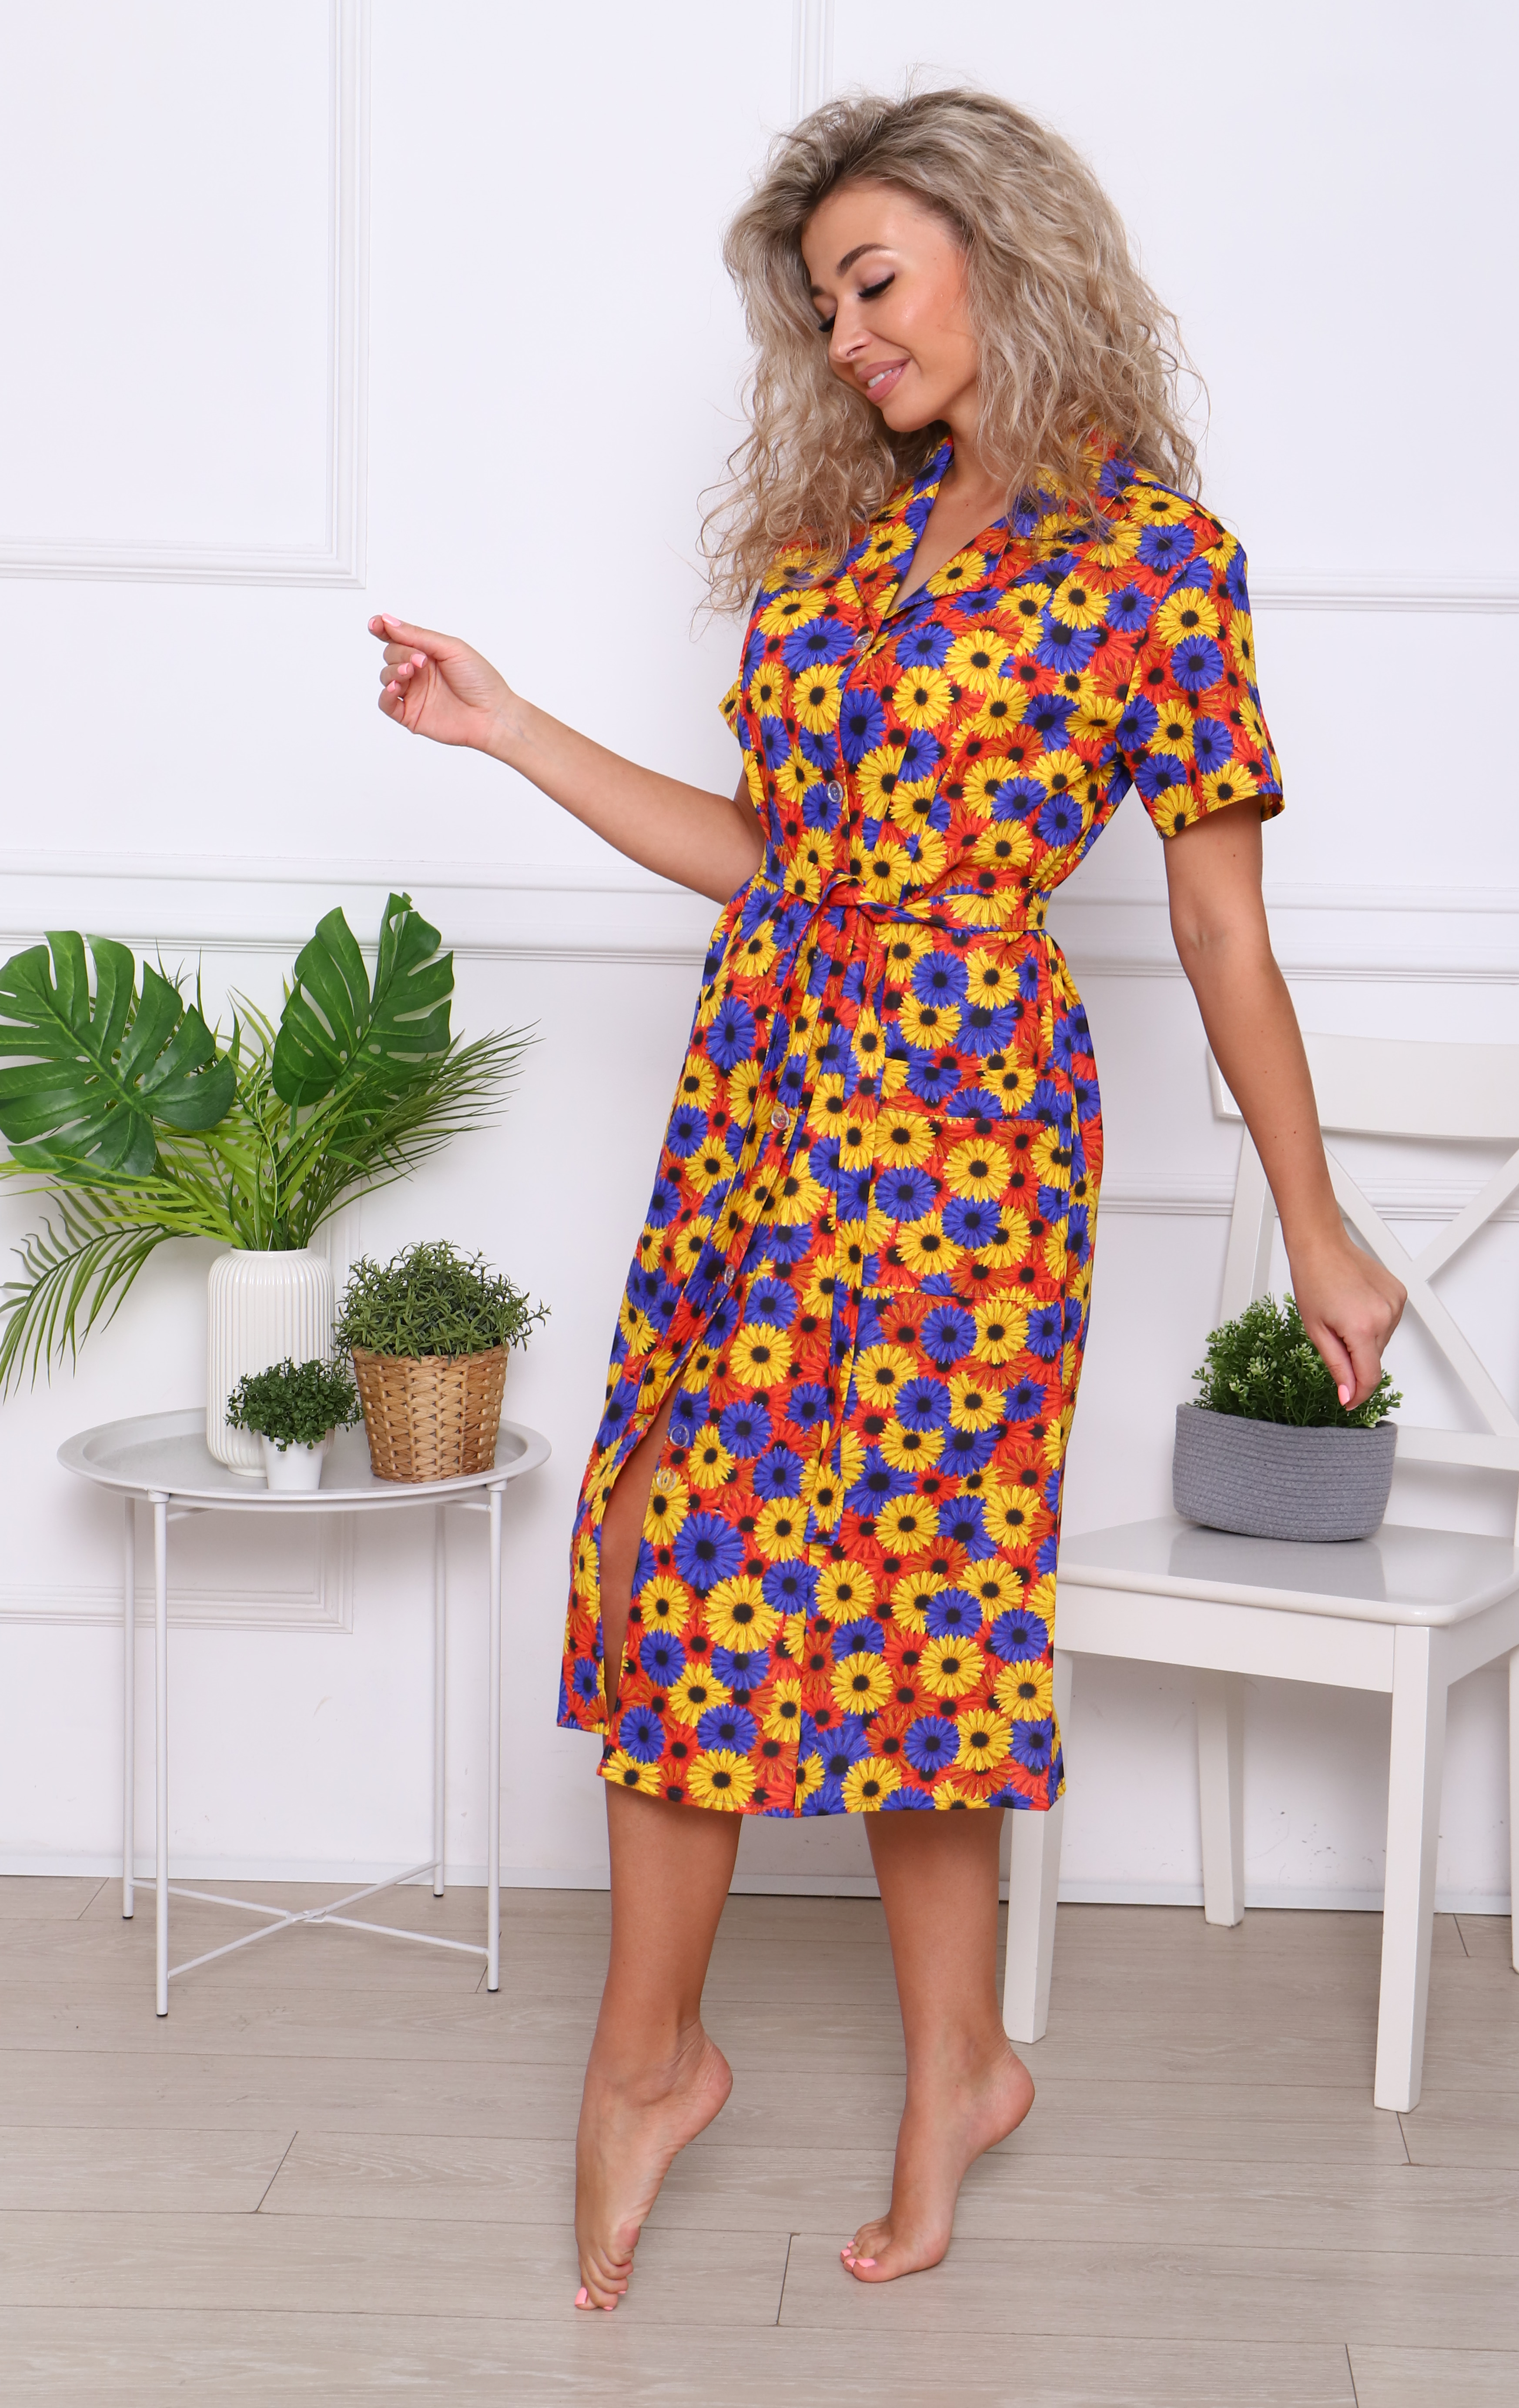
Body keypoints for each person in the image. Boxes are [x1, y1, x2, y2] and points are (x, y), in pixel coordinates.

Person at [368, 87, 1404, 2308]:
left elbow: (1217, 926)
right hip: (758, 1098)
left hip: (964, 1131)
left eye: (870, 282)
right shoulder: (846, 554)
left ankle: (854, 2067)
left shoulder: (1153, 561)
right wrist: (513, 729)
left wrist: (1311, 1221)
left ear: (1001, 258)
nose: (844, 336)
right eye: (821, 306)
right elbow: (775, 860)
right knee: (678, 1541)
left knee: (914, 1592)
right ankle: (783, 2056)